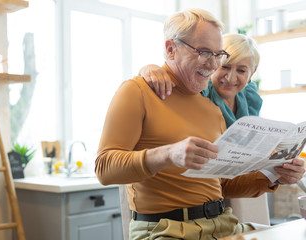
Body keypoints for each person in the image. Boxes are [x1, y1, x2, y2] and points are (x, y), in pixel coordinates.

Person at [95, 9, 305, 240]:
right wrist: (168, 154)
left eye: (218, 54)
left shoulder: (211, 108)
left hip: (223, 225)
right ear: (170, 49)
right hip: (165, 231)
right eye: (204, 52)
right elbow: (104, 169)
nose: (213, 64)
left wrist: (275, 175)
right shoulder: (137, 91)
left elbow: (222, 184)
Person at [139, 33, 305, 183]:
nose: (231, 77)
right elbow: (172, 77)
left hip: (239, 180)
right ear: (212, 63)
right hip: (203, 180)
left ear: (252, 73)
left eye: (241, 70)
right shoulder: (201, 90)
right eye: (225, 67)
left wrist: (282, 166)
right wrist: (148, 69)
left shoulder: (250, 97)